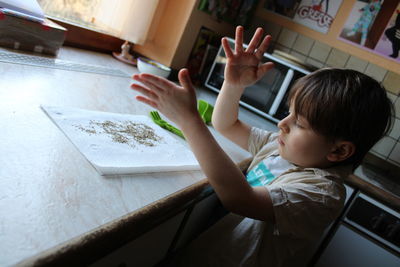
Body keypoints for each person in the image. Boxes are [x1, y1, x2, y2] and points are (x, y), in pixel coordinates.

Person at [131, 26, 393, 267]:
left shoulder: (321, 194)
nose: (283, 123)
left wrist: (190, 121)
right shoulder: (278, 148)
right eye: (288, 113)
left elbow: (239, 199)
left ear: (338, 151)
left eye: (299, 123)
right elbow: (227, 124)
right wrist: (233, 85)